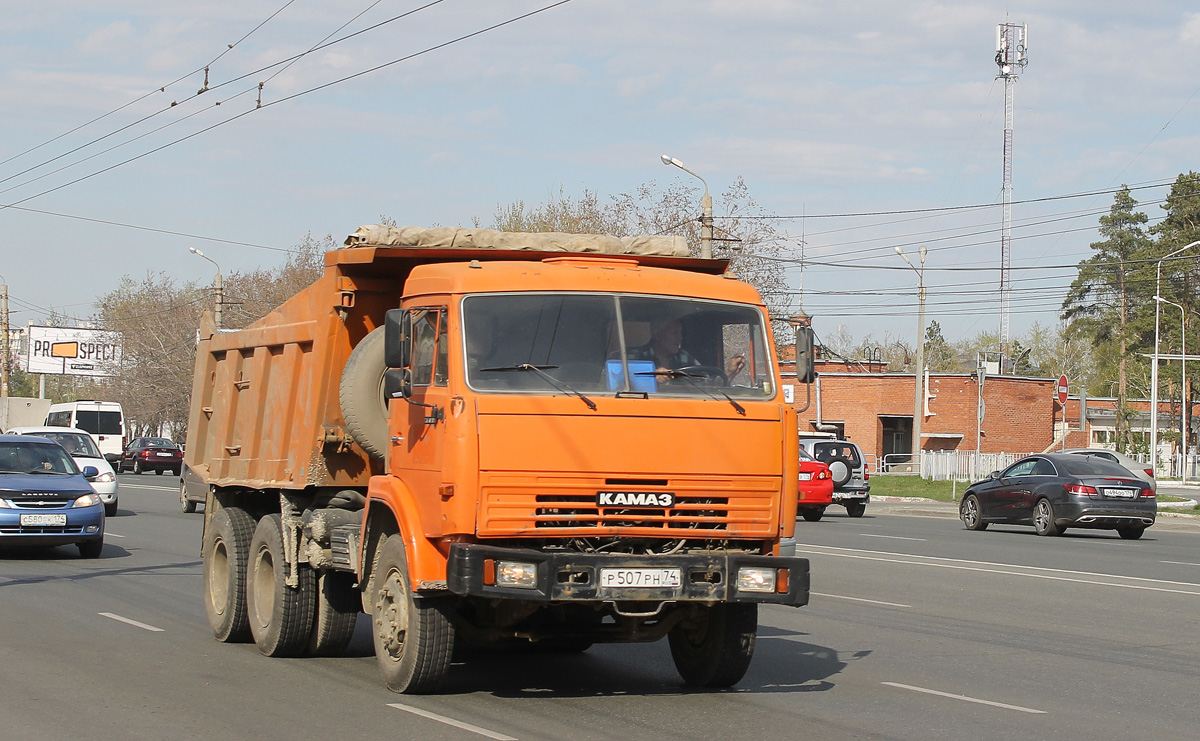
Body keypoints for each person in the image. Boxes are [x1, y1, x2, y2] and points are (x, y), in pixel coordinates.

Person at [628, 316, 745, 382]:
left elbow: (709, 386)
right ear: (657, 334)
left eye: (680, 333)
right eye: (674, 333)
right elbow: (617, 381)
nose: (680, 338)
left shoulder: (684, 357)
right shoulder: (634, 356)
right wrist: (651, 376)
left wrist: (730, 372)